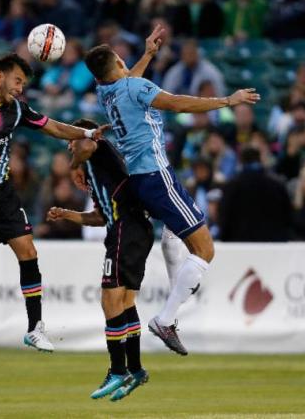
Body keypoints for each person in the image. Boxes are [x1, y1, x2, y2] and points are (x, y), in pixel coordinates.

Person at [83, 26, 259, 355]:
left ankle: (175, 295)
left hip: (139, 177)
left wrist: (148, 54)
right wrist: (227, 101)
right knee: (205, 250)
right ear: (120, 61)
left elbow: (124, 81)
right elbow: (177, 103)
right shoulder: (136, 86)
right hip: (156, 174)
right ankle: (166, 318)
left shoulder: (107, 92)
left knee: (173, 235)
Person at [0, 53, 108, 367]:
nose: (20, 88)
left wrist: (85, 134)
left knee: (28, 252)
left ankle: (34, 327)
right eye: (17, 81)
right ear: (0, 75)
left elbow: (52, 127)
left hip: (2, 193)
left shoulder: (15, 110)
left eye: (23, 83)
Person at [46, 119, 152, 401]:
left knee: (109, 300)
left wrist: (73, 166)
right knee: (125, 302)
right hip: (129, 228)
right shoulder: (97, 170)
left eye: (71, 139)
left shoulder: (97, 148)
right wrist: (67, 214)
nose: (70, 145)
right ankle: (136, 369)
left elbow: (87, 144)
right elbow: (100, 216)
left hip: (126, 228)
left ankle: (118, 370)